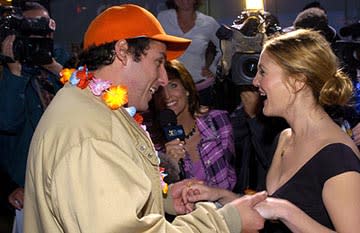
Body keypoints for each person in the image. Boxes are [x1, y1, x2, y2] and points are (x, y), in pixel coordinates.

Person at [23, 4, 267, 233]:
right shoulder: (92, 133)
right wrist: (226, 220)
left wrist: (163, 197)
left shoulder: (94, 107)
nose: (162, 79)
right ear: (122, 52)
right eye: (158, 62)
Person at [183, 29, 360, 232]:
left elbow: (281, 209)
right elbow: (270, 210)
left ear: (297, 81)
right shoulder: (285, 138)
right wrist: (218, 195)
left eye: (263, 72)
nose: (255, 81)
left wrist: (287, 211)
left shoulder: (337, 157)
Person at [0, 1, 67, 223]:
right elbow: (7, 122)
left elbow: (94, 96)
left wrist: (54, 67)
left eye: (44, 27)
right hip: (26, 190)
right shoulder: (8, 70)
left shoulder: (63, 62)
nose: (40, 35)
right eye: (32, 28)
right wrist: (15, 72)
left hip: (69, 180)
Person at [150, 59, 237, 190]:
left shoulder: (218, 121)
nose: (167, 96)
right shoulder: (152, 144)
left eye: (173, 86)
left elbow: (233, 171)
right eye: (159, 91)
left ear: (187, 89)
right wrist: (170, 166)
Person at [157, 0, 221, 106]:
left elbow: (225, 46)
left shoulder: (208, 23)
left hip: (200, 87)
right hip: (168, 86)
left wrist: (214, 68)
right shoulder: (163, 18)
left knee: (201, 121)